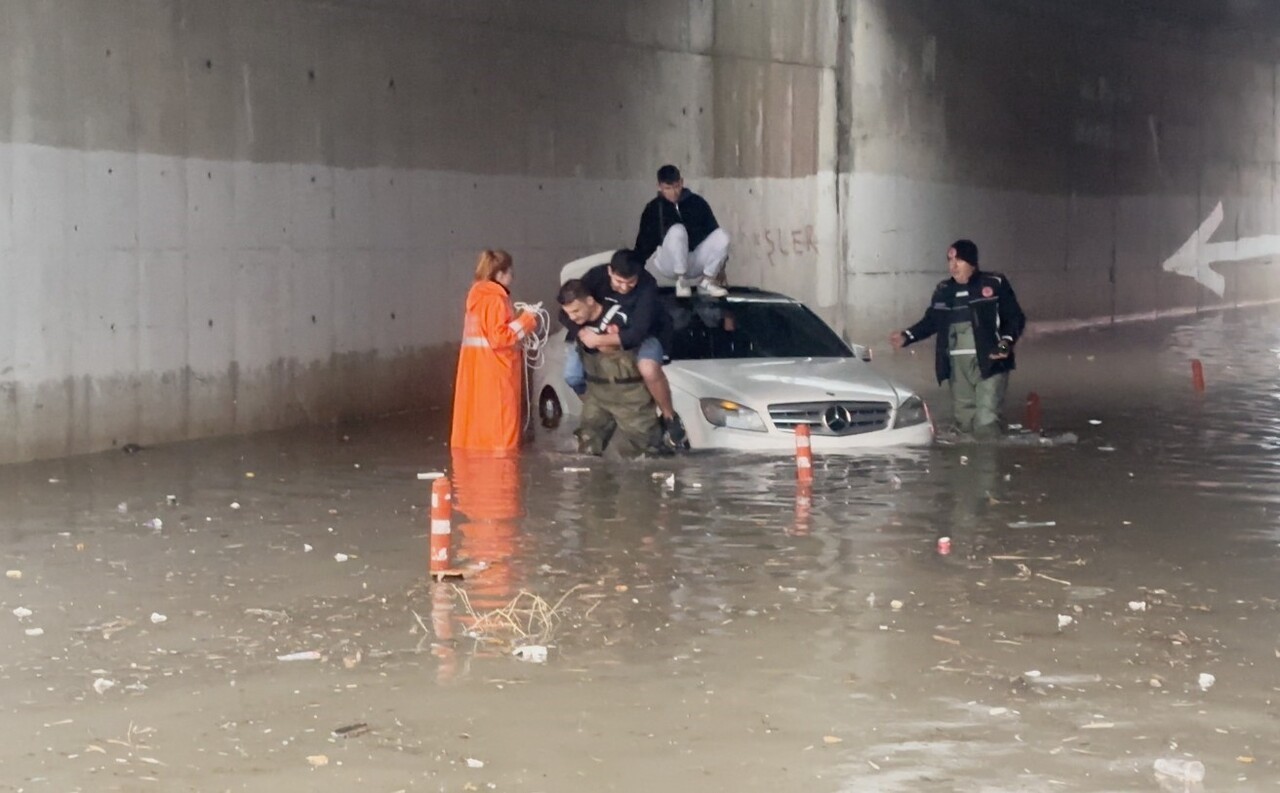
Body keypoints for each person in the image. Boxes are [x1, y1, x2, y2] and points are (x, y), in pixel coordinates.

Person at [889, 239, 1026, 439]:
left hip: (990, 362)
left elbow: (1015, 317)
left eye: (959, 260)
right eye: (950, 260)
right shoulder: (944, 290)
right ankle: (968, 465)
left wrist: (1005, 343)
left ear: (972, 262)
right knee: (964, 423)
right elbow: (932, 320)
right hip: (956, 365)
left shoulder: (994, 283)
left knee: (986, 421)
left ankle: (989, 464)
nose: (953, 266)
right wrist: (907, 336)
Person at [560, 249, 687, 448]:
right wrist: (581, 332)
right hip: (595, 333)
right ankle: (598, 406)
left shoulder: (647, 285)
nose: (625, 287)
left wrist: (600, 340)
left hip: (646, 333)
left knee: (648, 367)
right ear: (610, 271)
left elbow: (637, 332)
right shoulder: (595, 277)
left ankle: (670, 416)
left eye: (631, 282)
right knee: (572, 375)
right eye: (619, 282)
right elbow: (566, 310)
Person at [557, 278, 665, 457]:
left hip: (630, 396)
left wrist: (601, 340)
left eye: (576, 310)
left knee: (648, 453)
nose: (573, 317)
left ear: (590, 301)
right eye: (569, 313)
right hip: (597, 395)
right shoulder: (577, 324)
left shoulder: (619, 316)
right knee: (587, 446)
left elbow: (619, 344)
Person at [450, 249, 540, 452]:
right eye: (511, 273)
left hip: (477, 373)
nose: (512, 278)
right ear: (500, 275)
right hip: (498, 373)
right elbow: (500, 337)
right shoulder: (496, 300)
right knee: (502, 429)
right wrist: (526, 320)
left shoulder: (476, 299)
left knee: (476, 425)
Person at [634, 164, 731, 298]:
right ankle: (682, 282)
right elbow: (643, 244)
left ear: (681, 182)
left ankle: (707, 282)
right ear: (659, 187)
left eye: (676, 187)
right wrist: (635, 273)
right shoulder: (653, 208)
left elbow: (713, 232)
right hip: (668, 262)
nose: (673, 192)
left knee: (723, 235)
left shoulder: (697, 202)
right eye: (668, 188)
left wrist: (720, 268)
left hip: (693, 260)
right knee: (677, 230)